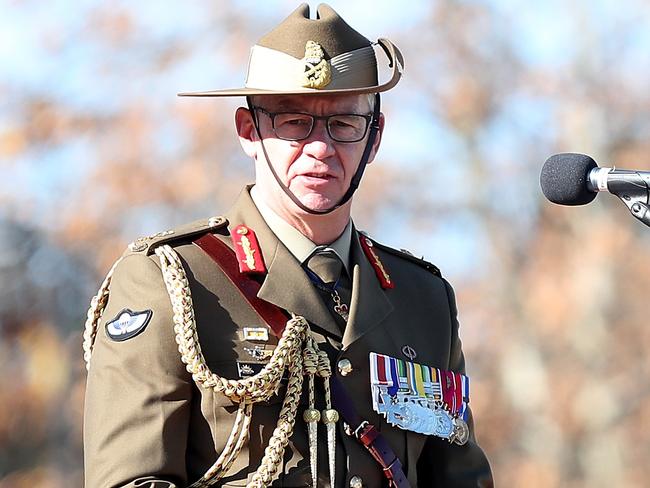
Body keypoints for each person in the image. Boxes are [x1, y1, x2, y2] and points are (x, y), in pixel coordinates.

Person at [83, 3, 493, 487]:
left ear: (375, 137)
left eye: (343, 124)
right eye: (293, 122)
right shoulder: (173, 280)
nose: (320, 148)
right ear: (248, 130)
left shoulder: (423, 300)